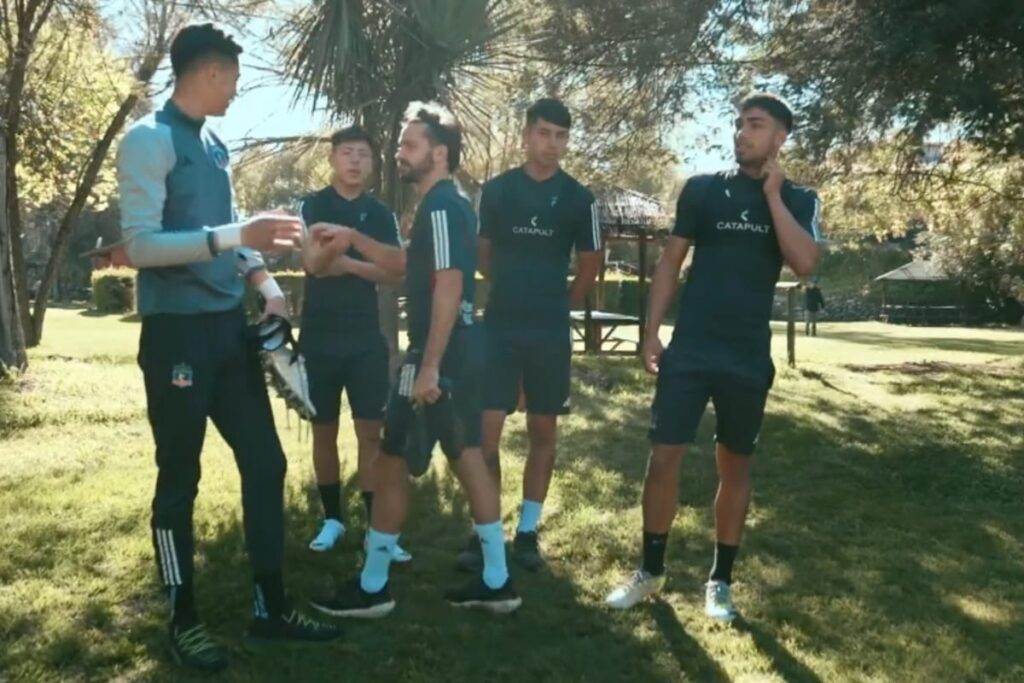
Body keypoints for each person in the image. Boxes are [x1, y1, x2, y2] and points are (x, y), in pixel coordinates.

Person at [115, 23, 341, 672]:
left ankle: (271, 608)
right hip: (175, 338)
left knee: (266, 464)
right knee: (178, 478)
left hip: (228, 332)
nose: (238, 90)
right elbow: (141, 246)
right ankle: (181, 620)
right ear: (210, 73)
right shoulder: (148, 140)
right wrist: (231, 234)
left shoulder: (214, 146)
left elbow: (236, 239)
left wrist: (266, 284)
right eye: (235, 78)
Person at [604, 92, 821, 621]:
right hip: (692, 349)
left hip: (746, 356)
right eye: (740, 124)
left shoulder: (798, 199)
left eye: (756, 125)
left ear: (780, 136)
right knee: (663, 458)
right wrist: (650, 331)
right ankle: (651, 571)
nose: (743, 133)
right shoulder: (703, 191)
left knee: (736, 466)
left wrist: (772, 196)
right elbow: (671, 261)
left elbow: (805, 263)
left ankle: (720, 582)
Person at [307, 102, 521, 617]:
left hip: (440, 355)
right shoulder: (437, 207)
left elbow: (448, 283)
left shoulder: (444, 206)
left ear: (439, 153)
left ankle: (377, 586)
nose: (399, 153)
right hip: (448, 353)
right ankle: (493, 582)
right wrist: (355, 242)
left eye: (410, 144)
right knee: (432, 458)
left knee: (405, 460)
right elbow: (408, 265)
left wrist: (428, 365)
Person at [457, 98, 602, 573]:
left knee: (543, 432)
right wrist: (512, 288)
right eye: (544, 133)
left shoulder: (581, 199)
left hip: (549, 332)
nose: (552, 144)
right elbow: (483, 255)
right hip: (498, 326)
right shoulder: (497, 191)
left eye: (561, 136)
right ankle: (486, 531)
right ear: (525, 135)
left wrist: (558, 304)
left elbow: (590, 267)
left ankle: (526, 534)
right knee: (486, 435)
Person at [299, 126, 411, 563]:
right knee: (322, 430)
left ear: (372, 163)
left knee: (371, 433)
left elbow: (396, 272)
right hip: (319, 337)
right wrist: (360, 262)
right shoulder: (313, 205)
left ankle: (374, 527)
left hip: (367, 338)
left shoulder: (379, 214)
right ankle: (332, 519)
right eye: (346, 153)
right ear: (332, 159)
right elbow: (311, 264)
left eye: (363, 155)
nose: (354, 161)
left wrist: (343, 259)